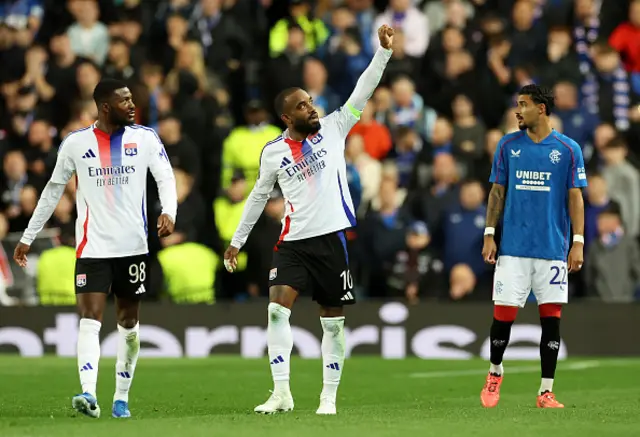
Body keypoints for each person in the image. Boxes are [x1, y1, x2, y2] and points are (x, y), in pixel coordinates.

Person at [223, 25, 395, 416]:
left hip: (331, 240)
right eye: (302, 106)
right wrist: (237, 240)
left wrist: (382, 54)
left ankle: (328, 397)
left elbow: (363, 90)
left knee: (332, 324)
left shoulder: (335, 127)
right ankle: (281, 393)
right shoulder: (273, 153)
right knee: (275, 310)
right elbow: (256, 198)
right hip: (293, 243)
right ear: (287, 116)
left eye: (310, 102)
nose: (311, 108)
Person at [13, 79, 177, 419]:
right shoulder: (75, 144)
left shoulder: (145, 138)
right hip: (93, 248)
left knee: (128, 326)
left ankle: (121, 397)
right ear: (105, 106)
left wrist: (168, 211)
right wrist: (29, 235)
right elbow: (52, 190)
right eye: (125, 100)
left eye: (132, 99)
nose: (133, 105)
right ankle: (89, 394)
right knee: (89, 319)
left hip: (133, 247)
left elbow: (165, 176)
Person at [480, 84, 587, 409]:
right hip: (513, 247)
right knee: (504, 316)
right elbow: (498, 191)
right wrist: (489, 233)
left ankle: (546, 391)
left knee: (551, 320)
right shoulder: (507, 145)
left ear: (541, 108)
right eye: (517, 104)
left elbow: (576, 198)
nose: (518, 111)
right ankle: (495, 372)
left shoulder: (568, 150)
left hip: (553, 249)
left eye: (523, 105)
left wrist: (577, 242)